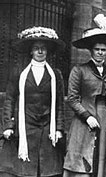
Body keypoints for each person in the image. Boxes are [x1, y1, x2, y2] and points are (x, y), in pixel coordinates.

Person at [63, 14, 106, 177]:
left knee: (103, 156)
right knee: (83, 156)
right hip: (85, 117)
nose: (100, 53)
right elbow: (72, 98)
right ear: (91, 51)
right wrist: (86, 116)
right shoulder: (79, 70)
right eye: (97, 50)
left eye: (103, 50)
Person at [0, 26, 66, 177]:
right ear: (31, 51)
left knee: (46, 170)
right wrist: (8, 126)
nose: (40, 51)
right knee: (24, 171)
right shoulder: (19, 72)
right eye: (36, 48)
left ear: (48, 51)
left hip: (47, 126)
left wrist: (59, 129)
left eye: (43, 48)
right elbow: (9, 99)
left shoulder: (55, 75)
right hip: (25, 125)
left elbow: (60, 104)